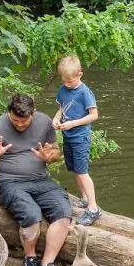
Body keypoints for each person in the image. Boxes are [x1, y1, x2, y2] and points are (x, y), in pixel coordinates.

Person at [0, 94, 69, 266]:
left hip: (41, 180)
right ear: (9, 112)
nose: (20, 125)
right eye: (16, 121)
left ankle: (47, 265)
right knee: (31, 214)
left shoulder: (45, 122)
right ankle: (30, 259)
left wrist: (49, 157)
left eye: (24, 121)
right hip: (10, 182)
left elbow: (56, 152)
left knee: (63, 212)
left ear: (33, 113)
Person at [52, 55, 102, 226]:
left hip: (80, 137)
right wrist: (55, 119)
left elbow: (94, 115)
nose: (67, 84)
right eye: (64, 81)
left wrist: (73, 123)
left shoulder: (84, 92)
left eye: (70, 81)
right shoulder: (63, 89)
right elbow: (61, 109)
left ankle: (94, 208)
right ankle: (85, 198)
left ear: (80, 74)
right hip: (68, 136)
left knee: (82, 171)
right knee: (74, 169)